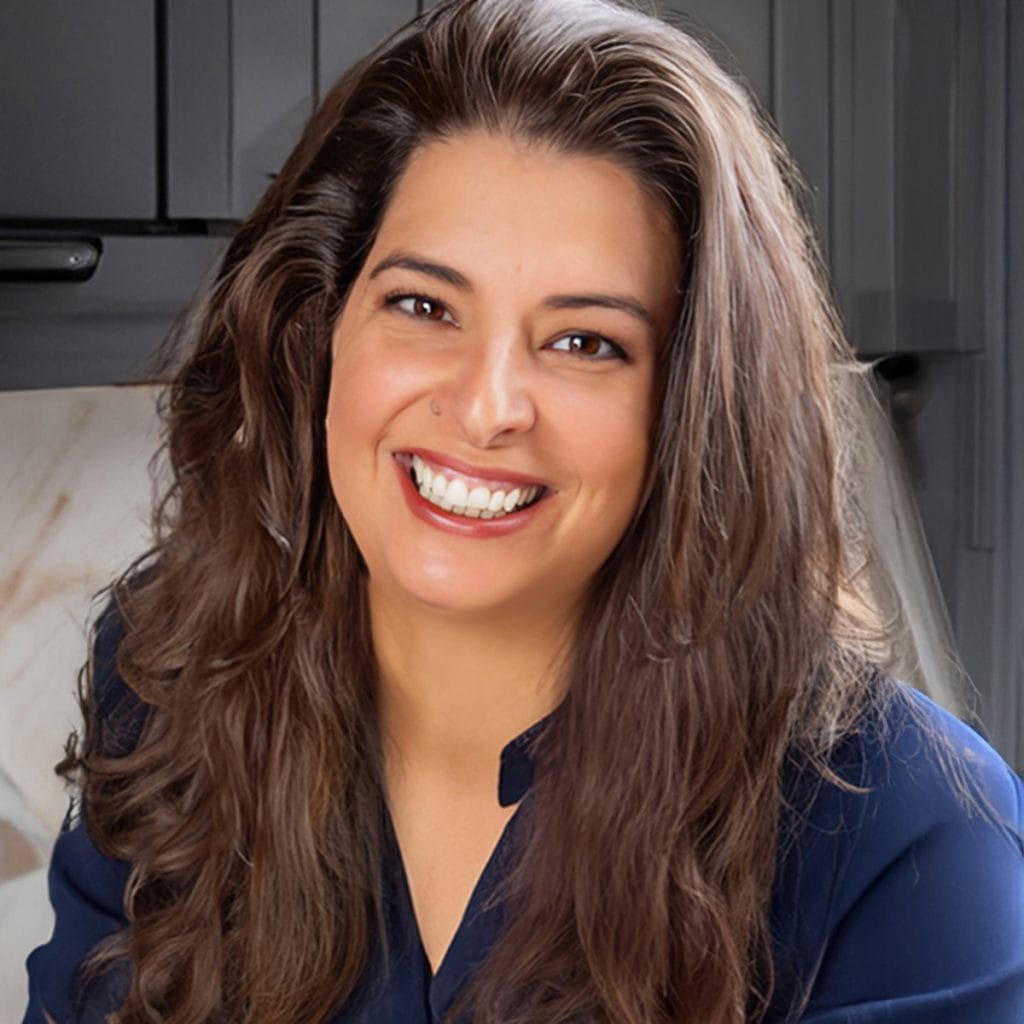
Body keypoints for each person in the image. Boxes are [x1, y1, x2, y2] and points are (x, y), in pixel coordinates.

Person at [22, 0, 1024, 1021]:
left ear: (689, 408)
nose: (485, 405)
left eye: (585, 341)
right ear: (318, 329)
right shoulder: (174, 683)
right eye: (423, 306)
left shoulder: (910, 842)